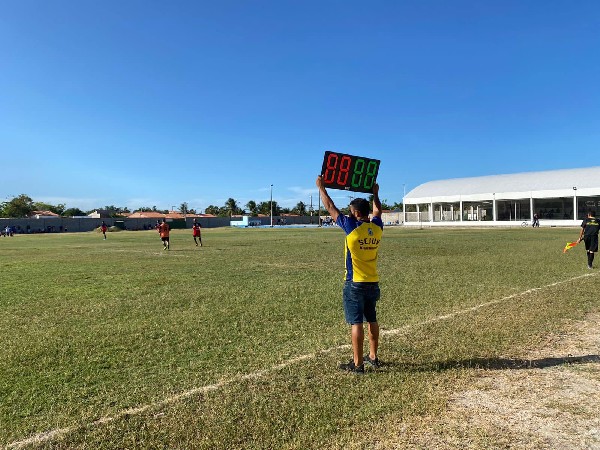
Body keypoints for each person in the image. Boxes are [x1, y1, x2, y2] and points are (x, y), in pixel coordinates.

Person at [316, 175, 383, 374]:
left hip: (355, 283)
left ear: (354, 212)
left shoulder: (351, 227)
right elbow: (377, 210)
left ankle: (357, 364)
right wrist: (376, 193)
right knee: (372, 319)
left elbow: (330, 208)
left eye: (350, 211)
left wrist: (321, 188)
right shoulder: (377, 227)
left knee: (356, 322)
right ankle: (373, 356)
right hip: (373, 281)